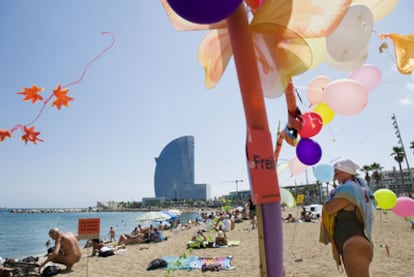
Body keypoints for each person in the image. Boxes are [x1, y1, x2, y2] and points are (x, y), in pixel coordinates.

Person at [320, 159, 375, 277]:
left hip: (354, 244)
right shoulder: (355, 188)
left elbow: (329, 209)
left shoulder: (350, 189)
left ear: (346, 172)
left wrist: (328, 202)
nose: (335, 176)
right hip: (351, 243)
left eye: (337, 173)